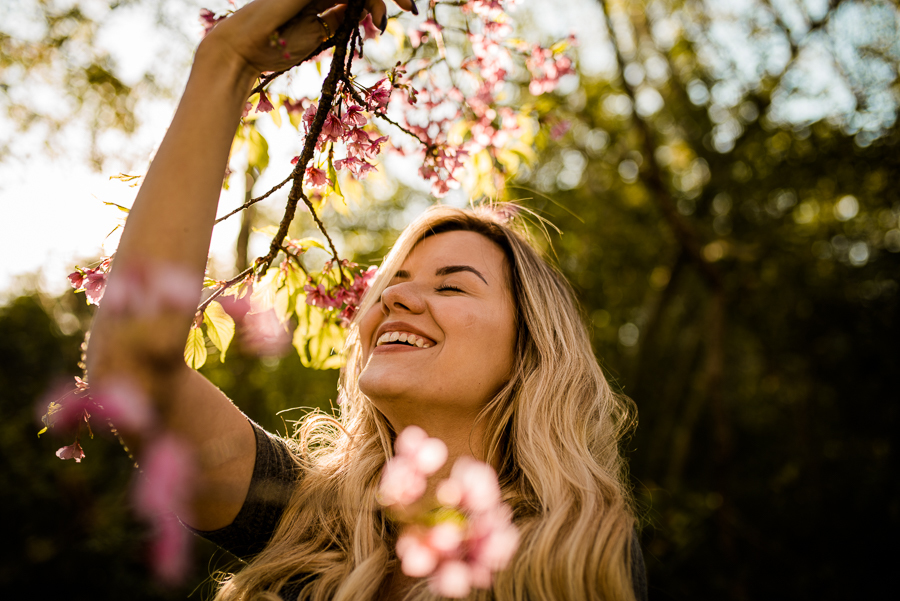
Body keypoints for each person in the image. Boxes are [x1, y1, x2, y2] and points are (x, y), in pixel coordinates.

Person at [86, 1, 648, 599]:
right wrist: (225, 62)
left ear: (531, 348)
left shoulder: (578, 551)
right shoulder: (301, 516)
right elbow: (132, 369)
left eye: (451, 284)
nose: (398, 297)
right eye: (392, 283)